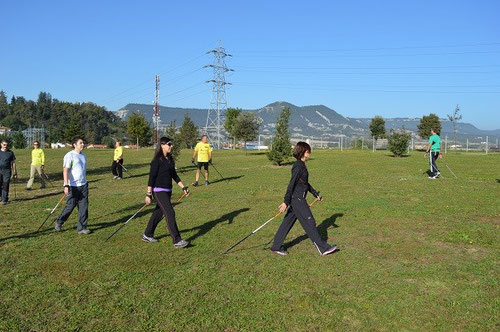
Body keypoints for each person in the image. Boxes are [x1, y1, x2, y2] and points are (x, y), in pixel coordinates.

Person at [270, 142, 338, 256]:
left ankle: (276, 246)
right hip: (298, 200)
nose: (309, 153)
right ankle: (323, 248)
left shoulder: (301, 165)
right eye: (308, 151)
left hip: (297, 200)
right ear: (302, 152)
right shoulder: (298, 166)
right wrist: (285, 202)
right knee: (310, 222)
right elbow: (291, 184)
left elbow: (304, 183)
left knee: (287, 222)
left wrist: (315, 194)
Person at [143, 136, 190, 248]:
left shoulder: (170, 159)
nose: (171, 146)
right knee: (170, 213)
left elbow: (174, 175)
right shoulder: (156, 161)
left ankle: (147, 234)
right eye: (169, 144)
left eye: (171, 144)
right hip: (159, 191)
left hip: (168, 191)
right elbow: (151, 178)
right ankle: (177, 240)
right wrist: (148, 194)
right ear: (162, 145)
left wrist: (183, 187)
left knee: (158, 213)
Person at [54, 137, 91, 234]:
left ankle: (82, 228)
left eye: (83, 143)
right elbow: (65, 170)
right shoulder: (69, 155)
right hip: (72, 186)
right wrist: (66, 185)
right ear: (75, 144)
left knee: (84, 207)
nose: (82, 144)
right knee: (70, 206)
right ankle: (59, 222)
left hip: (83, 185)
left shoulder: (83, 155)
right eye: (80, 143)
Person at [0, 139, 17, 205]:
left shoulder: (10, 153)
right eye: (4, 145)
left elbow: (13, 163)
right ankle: (1, 196)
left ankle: (4, 199)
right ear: (1, 144)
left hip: (7, 171)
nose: (5, 146)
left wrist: (15, 172)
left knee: (6, 184)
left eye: (7, 145)